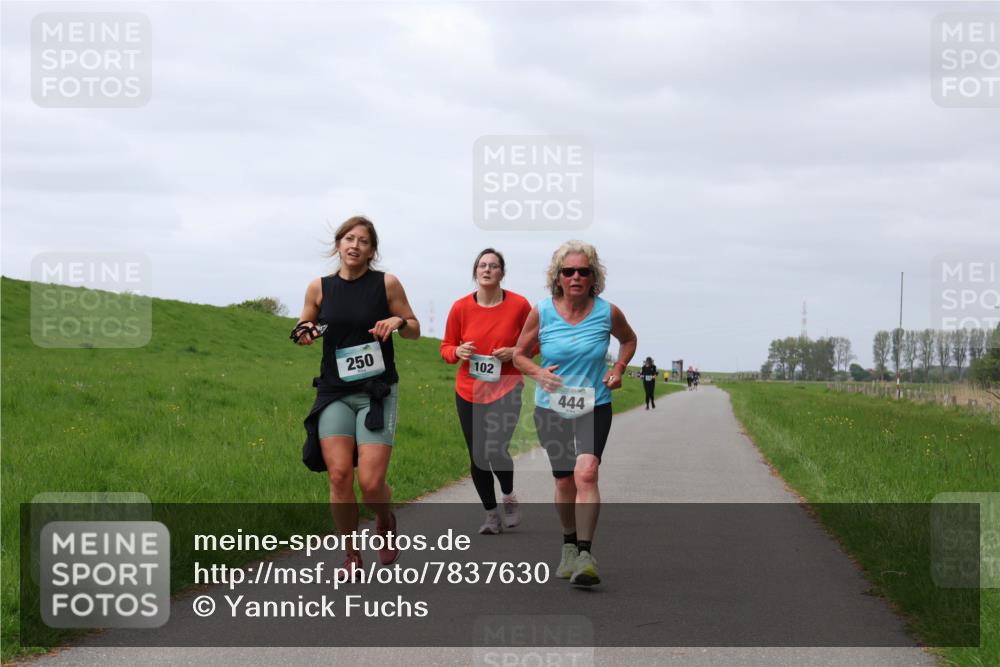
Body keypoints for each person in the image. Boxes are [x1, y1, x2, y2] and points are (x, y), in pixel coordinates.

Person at [294, 216, 420, 578]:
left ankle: (384, 518)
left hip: (375, 391)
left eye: (363, 241)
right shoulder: (319, 287)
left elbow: (413, 329)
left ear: (372, 250)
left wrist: (397, 322)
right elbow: (306, 324)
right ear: (338, 244)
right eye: (349, 239)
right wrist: (305, 332)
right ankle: (351, 553)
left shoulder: (387, 283)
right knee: (338, 476)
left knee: (370, 482)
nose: (355, 246)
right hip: (334, 391)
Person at [513, 240, 637, 587]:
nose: (577, 277)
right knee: (564, 479)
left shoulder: (607, 312)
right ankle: (568, 545)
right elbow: (519, 354)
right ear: (559, 277)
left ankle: (585, 554)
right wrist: (538, 374)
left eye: (584, 271)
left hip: (594, 403)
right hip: (550, 406)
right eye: (569, 272)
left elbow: (628, 340)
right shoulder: (542, 311)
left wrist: (619, 369)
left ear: (593, 276)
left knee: (587, 472)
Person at [441, 248, 533, 534]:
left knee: (495, 448)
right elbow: (446, 348)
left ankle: (508, 496)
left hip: (506, 386)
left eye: (493, 266)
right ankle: (491, 516)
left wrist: (515, 351)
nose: (487, 270)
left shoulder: (519, 305)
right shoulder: (460, 307)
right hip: (468, 389)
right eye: (482, 265)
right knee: (478, 454)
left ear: (502, 273)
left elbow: (534, 344)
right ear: (475, 272)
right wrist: (458, 350)